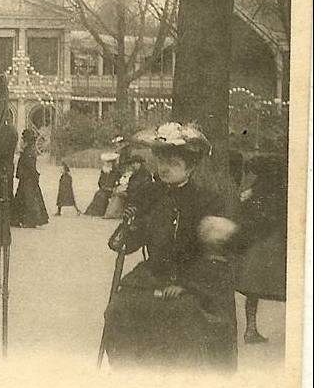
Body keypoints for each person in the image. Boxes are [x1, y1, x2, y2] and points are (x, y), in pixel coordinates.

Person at [102, 122, 239, 371]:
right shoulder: (150, 195)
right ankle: (132, 374)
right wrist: (131, 223)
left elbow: (214, 255)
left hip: (195, 279)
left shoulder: (207, 201)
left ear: (191, 167)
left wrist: (186, 283)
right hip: (154, 274)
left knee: (180, 314)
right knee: (118, 309)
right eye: (161, 161)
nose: (164, 168)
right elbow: (125, 245)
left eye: (173, 163)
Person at [235, 153, 288, 344]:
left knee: (254, 290)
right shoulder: (280, 187)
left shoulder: (255, 189)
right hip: (273, 241)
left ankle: (251, 329)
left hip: (258, 243)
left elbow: (246, 215)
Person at [11, 128, 49, 228]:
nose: (21, 141)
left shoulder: (28, 152)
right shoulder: (30, 150)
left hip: (27, 179)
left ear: (26, 140)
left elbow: (29, 166)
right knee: (26, 198)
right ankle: (26, 220)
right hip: (28, 179)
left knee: (28, 199)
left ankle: (29, 220)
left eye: (23, 139)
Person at [85, 152, 120, 217]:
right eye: (106, 162)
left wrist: (111, 187)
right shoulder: (104, 171)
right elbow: (100, 181)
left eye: (109, 162)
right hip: (104, 189)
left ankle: (100, 212)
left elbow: (117, 182)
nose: (107, 164)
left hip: (111, 190)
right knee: (98, 194)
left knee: (102, 195)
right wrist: (103, 186)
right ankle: (93, 212)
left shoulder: (116, 172)